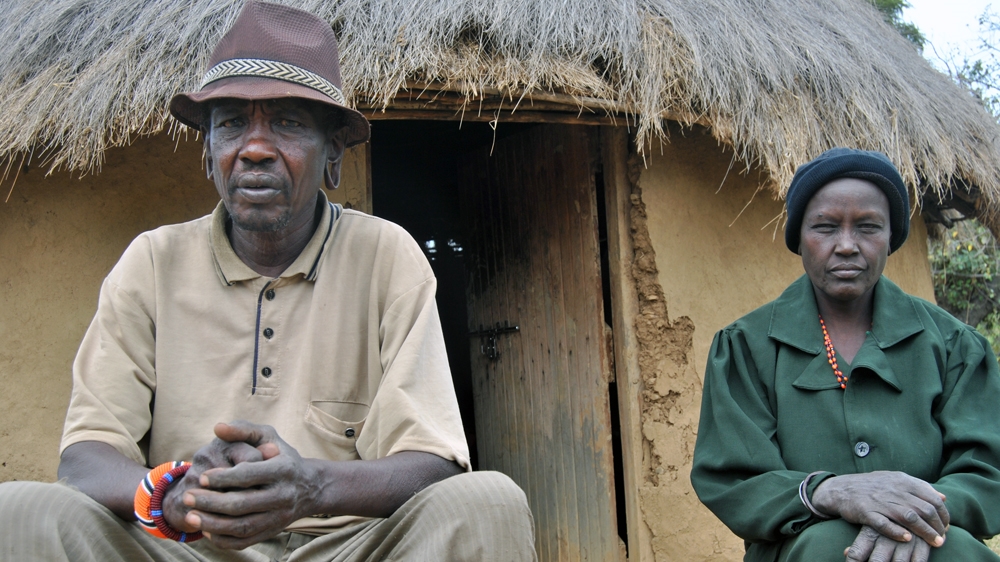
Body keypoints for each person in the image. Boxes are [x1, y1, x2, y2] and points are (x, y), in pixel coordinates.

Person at [0, 3, 536, 560]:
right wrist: (172, 493)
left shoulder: (386, 256)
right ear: (209, 154)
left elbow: (433, 462)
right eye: (231, 122)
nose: (254, 148)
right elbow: (84, 458)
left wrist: (311, 487)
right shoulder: (152, 262)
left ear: (332, 153)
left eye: (287, 122)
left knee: (488, 502)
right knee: (17, 513)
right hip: (187, 548)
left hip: (343, 544)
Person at [690, 147, 1000, 562]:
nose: (847, 245)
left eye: (869, 227)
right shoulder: (746, 347)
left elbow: (987, 469)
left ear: (892, 237)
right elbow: (733, 477)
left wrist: (910, 517)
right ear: (798, 237)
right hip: (800, 550)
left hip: (933, 544)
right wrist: (829, 491)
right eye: (826, 227)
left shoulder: (955, 346)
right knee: (824, 548)